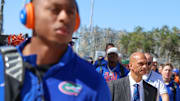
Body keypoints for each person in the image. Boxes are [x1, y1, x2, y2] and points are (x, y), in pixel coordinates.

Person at [0, 0, 111, 101]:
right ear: (30, 14)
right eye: (55, 10)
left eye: (70, 12)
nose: (64, 17)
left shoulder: (93, 82)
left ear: (76, 23)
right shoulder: (2, 65)